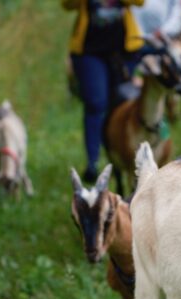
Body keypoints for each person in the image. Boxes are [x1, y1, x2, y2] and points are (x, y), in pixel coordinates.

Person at [62, 0, 144, 182]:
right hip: (89, 51)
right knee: (96, 103)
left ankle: (122, 155)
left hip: (124, 50)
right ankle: (93, 162)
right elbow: (67, 5)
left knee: (122, 103)